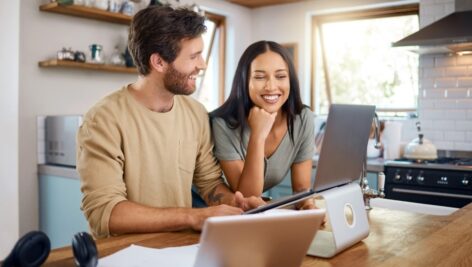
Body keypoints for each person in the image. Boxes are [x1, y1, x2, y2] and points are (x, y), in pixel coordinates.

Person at [76, 5, 262, 239]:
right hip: (123, 255)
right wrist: (193, 216)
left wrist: (235, 205)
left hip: (178, 249)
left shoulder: (195, 113)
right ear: (159, 62)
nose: (202, 64)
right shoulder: (103, 120)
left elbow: (209, 184)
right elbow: (105, 213)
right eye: (193, 56)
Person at [210, 41, 316, 210]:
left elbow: (302, 189)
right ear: (244, 81)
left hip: (250, 214)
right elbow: (246, 198)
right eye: (259, 77)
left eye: (281, 76)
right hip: (211, 208)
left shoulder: (303, 119)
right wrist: (258, 135)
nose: (271, 87)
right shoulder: (223, 124)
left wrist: (308, 207)